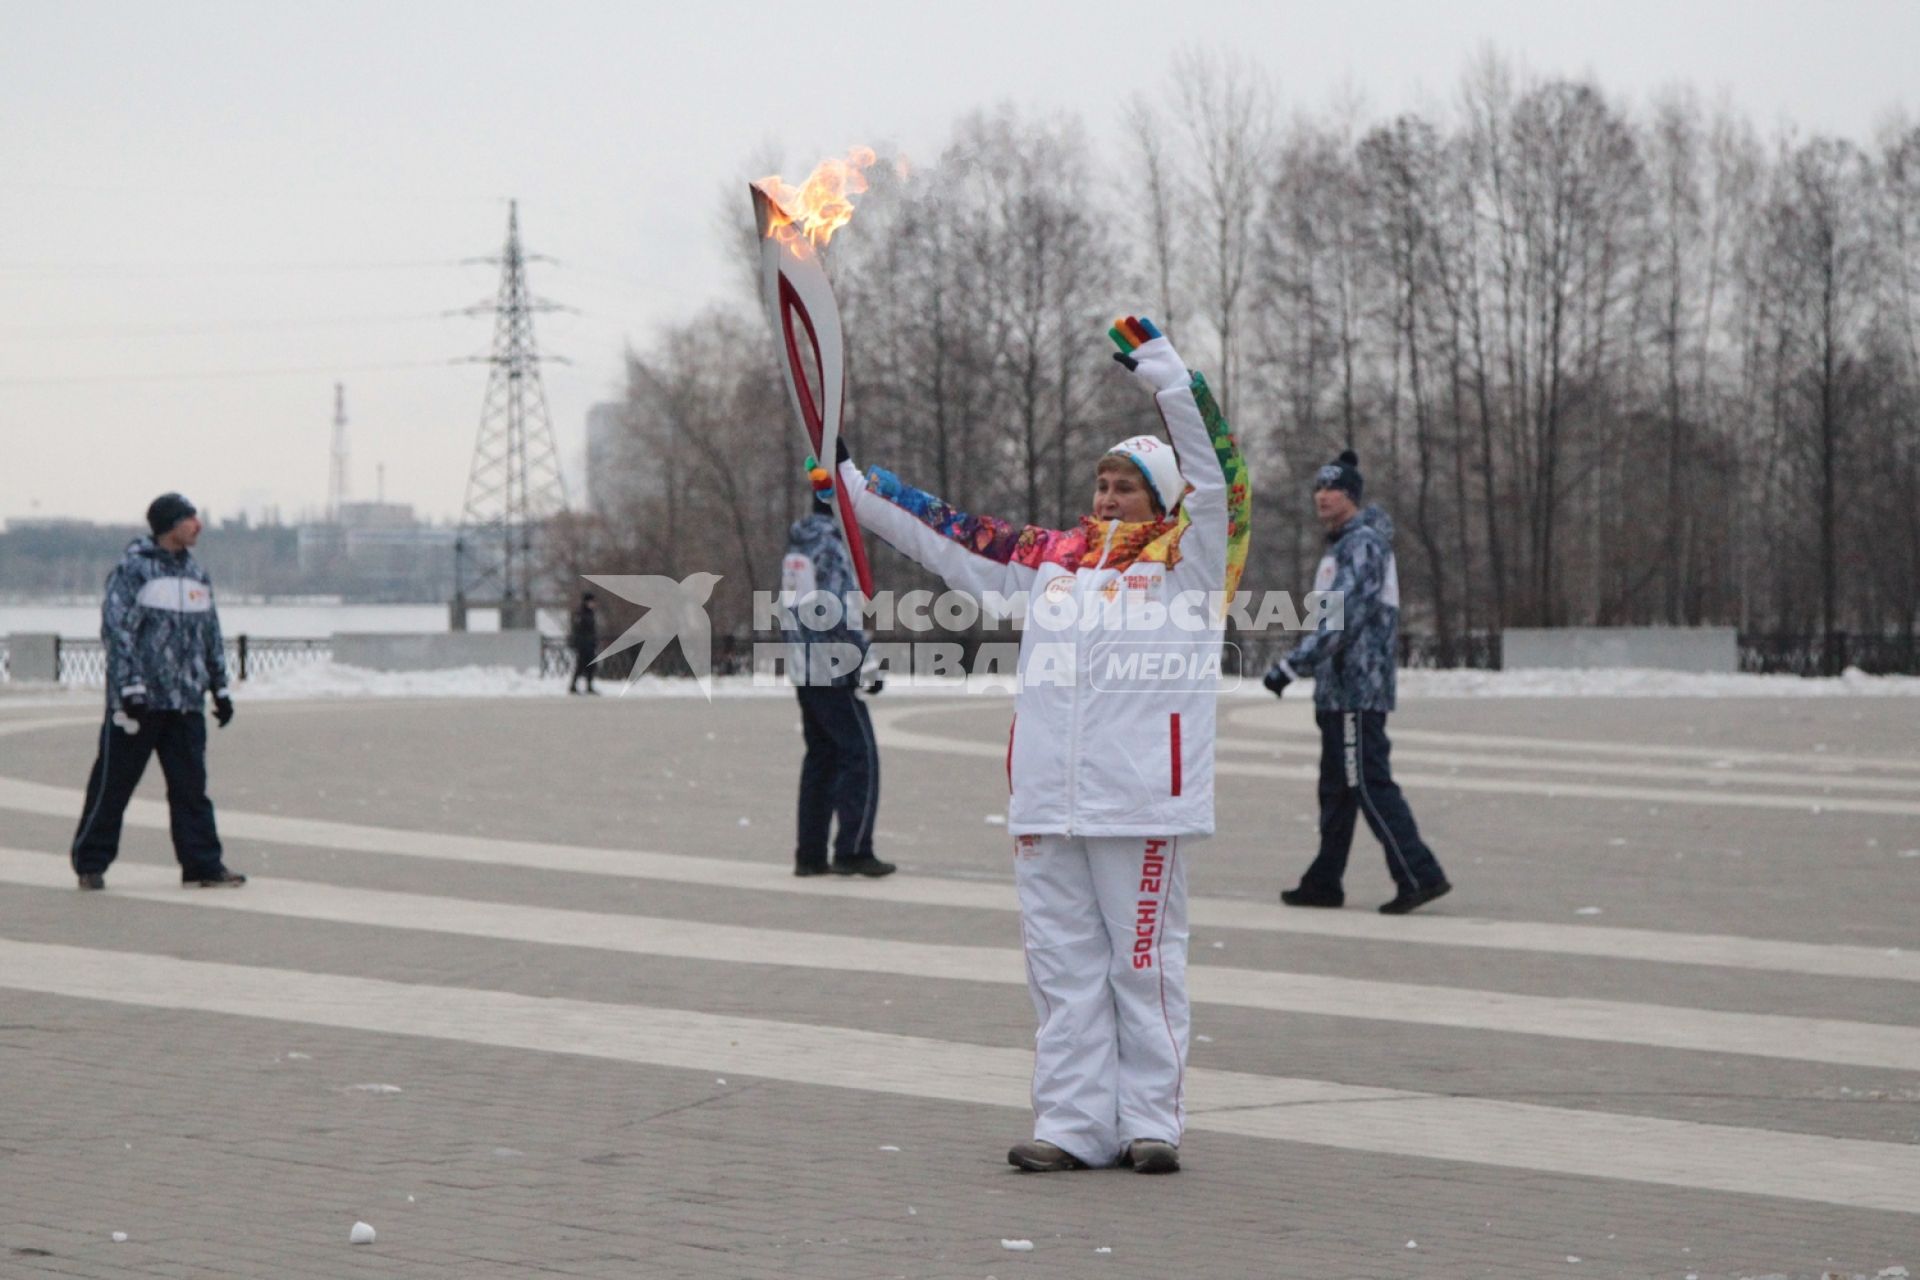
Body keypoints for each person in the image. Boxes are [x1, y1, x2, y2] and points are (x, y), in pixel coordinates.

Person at [839, 317, 1250, 1175]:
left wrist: (1169, 378)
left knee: (1142, 967)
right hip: (1046, 801)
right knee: (1063, 973)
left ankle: (1151, 1124)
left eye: (1126, 486)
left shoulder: (1193, 560)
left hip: (1140, 800)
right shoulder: (1050, 563)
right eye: (1101, 484)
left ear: (1164, 498)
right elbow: (951, 535)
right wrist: (855, 489)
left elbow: (1223, 480)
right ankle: (1071, 1124)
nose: (1106, 499)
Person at [1264, 450, 1451, 915]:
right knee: (1337, 790)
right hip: (1337, 690)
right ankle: (1324, 882)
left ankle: (1418, 874)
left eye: (1335, 489)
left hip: (1356, 689)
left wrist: (1293, 665)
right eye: (1319, 488)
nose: (1323, 496)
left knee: (1366, 782)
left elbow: (1342, 618)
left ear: (1353, 496)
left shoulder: (1363, 544)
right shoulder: (1340, 546)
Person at [71, 493, 246, 890]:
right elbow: (118, 632)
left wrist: (219, 688)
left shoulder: (197, 575)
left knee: (191, 790)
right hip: (138, 704)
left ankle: (202, 865)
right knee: (113, 785)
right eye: (189, 518)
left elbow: (210, 634)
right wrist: (130, 686)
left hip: (185, 703)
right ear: (170, 525)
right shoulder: (134, 571)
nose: (198, 524)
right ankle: (90, 862)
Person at [779, 490, 894, 878]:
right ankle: (854, 847)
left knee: (821, 758)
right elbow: (836, 613)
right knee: (859, 755)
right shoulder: (830, 547)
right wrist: (865, 661)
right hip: (831, 665)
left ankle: (809, 854)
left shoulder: (799, 546)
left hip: (804, 665)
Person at [567, 591, 600, 694]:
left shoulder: (590, 613)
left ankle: (589, 686)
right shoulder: (580, 614)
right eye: (591, 602)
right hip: (583, 645)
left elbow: (592, 630)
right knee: (581, 665)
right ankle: (573, 685)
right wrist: (578, 643)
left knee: (591, 666)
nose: (593, 604)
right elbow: (577, 630)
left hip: (590, 644)